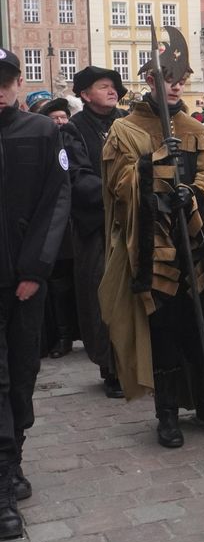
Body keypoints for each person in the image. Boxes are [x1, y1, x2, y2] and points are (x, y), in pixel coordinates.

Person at [99, 30, 204, 448]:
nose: (175, 83)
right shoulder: (125, 130)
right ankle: (168, 413)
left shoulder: (196, 129)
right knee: (166, 329)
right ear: (150, 79)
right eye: (167, 76)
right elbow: (119, 187)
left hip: (197, 245)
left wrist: (194, 195)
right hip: (152, 246)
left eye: (181, 76)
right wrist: (152, 169)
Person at [0, 47, 71, 539]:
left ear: (17, 85)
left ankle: (15, 453)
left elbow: (56, 202)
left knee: (22, 370)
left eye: (5, 81)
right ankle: (3, 479)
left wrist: (36, 269)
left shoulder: (42, 133)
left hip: (24, 281)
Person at [64, 66, 128, 397]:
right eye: (103, 86)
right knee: (101, 295)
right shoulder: (74, 130)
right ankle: (110, 366)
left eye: (113, 86)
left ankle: (135, 363)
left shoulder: (127, 122)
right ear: (86, 95)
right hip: (97, 227)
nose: (111, 90)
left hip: (132, 222)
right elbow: (77, 177)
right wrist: (118, 192)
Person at [38, 99, 79, 359]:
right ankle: (63, 336)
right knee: (59, 284)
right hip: (58, 226)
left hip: (78, 223)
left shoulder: (74, 141)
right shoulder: (44, 144)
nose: (61, 122)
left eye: (64, 117)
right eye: (55, 118)